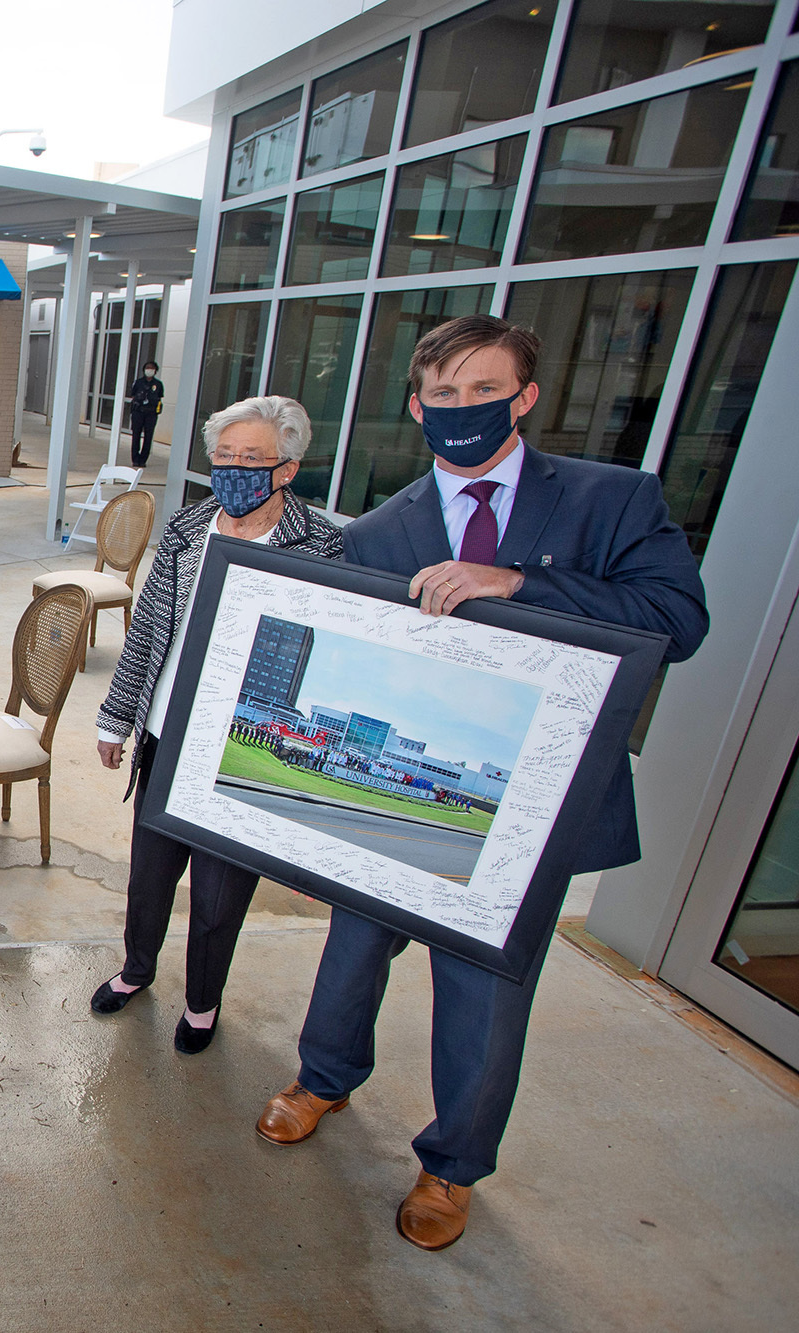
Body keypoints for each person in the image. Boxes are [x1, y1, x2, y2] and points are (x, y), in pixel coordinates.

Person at [255, 314, 708, 1252]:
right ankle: (324, 1079)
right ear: (417, 408)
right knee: (351, 948)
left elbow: (678, 617)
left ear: (525, 395)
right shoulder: (382, 530)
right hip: (407, 786)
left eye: (484, 388)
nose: (465, 409)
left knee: (484, 990)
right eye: (445, 395)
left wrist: (518, 585)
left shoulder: (611, 500)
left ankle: (451, 1166)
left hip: (532, 805)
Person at [92, 396, 342, 1050]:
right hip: (166, 738)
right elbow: (146, 629)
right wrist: (117, 720)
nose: (233, 469)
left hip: (236, 756)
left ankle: (202, 1003)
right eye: (224, 456)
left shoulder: (321, 548)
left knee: (217, 897)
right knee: (148, 877)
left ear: (286, 468)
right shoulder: (189, 527)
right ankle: (136, 969)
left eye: (250, 459)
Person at [126, 360, 163, 475]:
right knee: (136, 435)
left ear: (155, 370)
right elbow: (133, 395)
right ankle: (135, 459)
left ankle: (143, 459)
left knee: (148, 436)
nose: (149, 370)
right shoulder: (138, 382)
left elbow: (159, 398)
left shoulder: (158, 384)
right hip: (138, 412)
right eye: (147, 368)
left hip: (151, 414)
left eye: (151, 368)